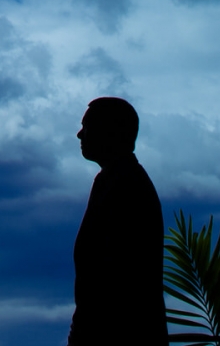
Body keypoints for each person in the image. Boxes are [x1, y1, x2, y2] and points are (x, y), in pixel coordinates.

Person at [67, 96, 166, 345]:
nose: (80, 135)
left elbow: (115, 279)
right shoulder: (112, 180)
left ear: (109, 131)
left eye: (87, 126)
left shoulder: (127, 185)